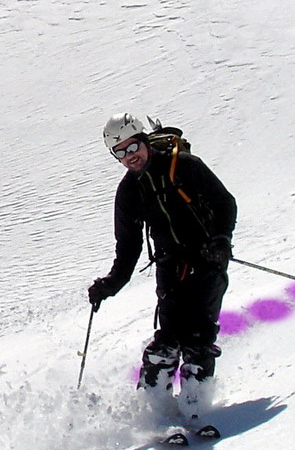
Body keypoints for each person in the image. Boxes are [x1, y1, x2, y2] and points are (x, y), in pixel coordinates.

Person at [87, 113, 237, 425]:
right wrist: (110, 285)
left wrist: (222, 240)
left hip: (207, 258)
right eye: (120, 152)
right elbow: (128, 248)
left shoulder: (183, 165)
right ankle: (157, 408)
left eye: (133, 147)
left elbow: (225, 203)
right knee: (168, 338)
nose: (130, 157)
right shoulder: (129, 192)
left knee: (198, 335)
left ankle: (195, 402)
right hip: (170, 266)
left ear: (143, 141)